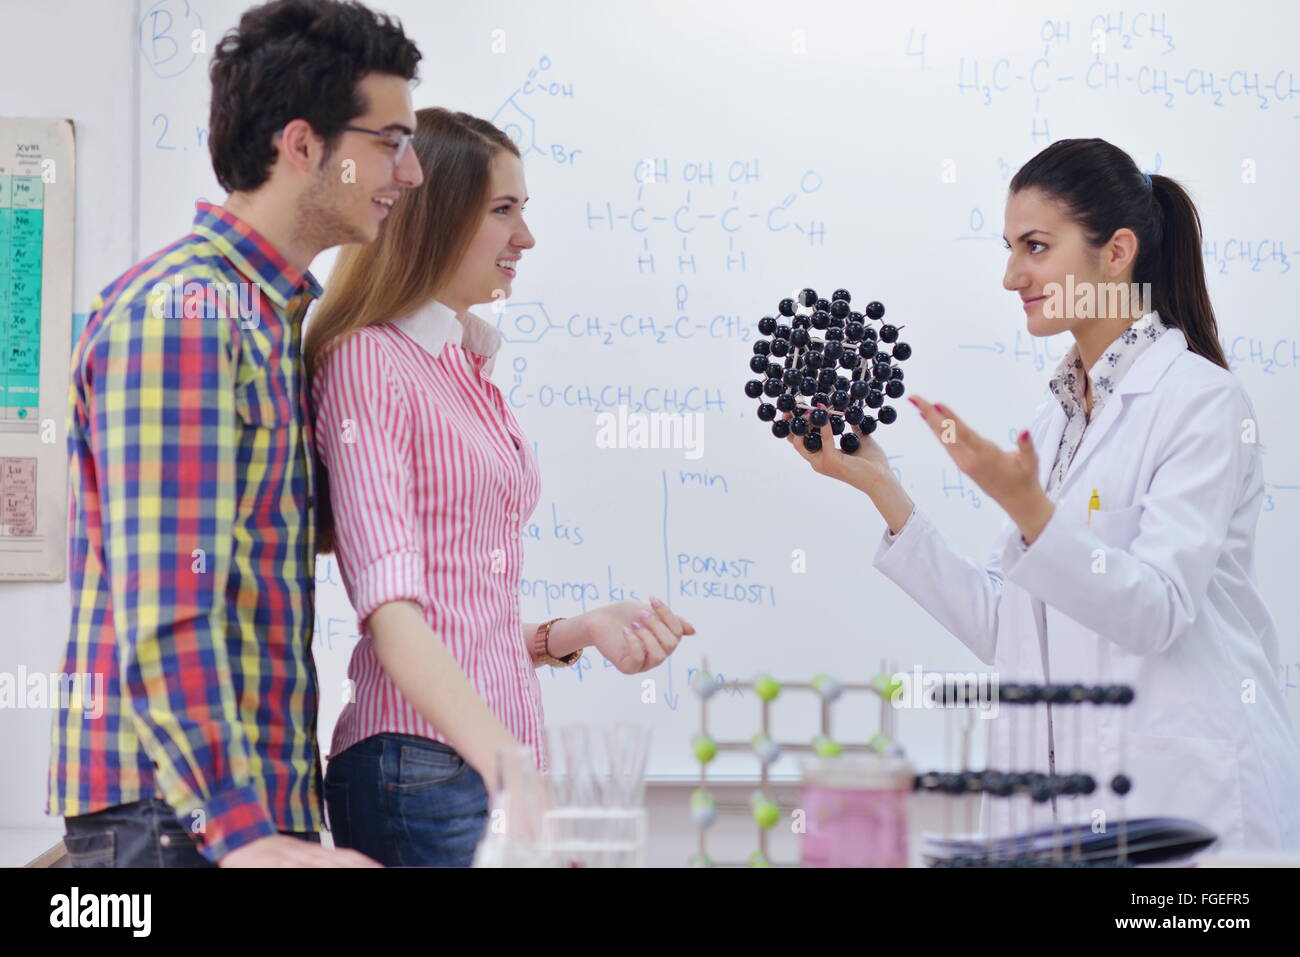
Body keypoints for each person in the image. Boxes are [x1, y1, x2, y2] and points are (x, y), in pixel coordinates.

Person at [786, 137, 1300, 853]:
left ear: (1115, 252)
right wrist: (880, 485)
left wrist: (1032, 511)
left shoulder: (1201, 403)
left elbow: (1157, 611)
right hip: (1067, 817)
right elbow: (1012, 630)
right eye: (1009, 247)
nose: (1010, 275)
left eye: (1035, 246)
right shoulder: (1054, 421)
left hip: (1190, 805)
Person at [51, 0, 424, 867]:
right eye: (389, 141)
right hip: (179, 819)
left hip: (226, 809)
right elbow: (169, 602)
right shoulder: (188, 314)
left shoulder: (267, 319)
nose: (406, 174)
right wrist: (246, 836)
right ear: (302, 146)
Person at [304, 107, 694, 867]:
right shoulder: (367, 361)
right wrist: (515, 776)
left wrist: (569, 633)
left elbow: (459, 624)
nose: (527, 237)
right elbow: (390, 612)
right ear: (434, 216)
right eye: (503, 210)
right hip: (417, 769)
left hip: (471, 763)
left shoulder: (461, 365)